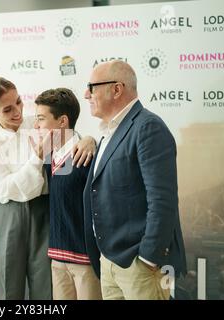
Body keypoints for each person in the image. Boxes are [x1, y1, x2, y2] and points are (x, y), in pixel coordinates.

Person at [0, 76, 95, 300]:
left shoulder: (36, 122)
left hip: (46, 211)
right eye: (8, 109)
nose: (18, 112)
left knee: (45, 288)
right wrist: (37, 158)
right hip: (9, 215)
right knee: (6, 287)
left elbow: (69, 136)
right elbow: (6, 187)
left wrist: (88, 139)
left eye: (19, 102)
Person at [82, 60, 187, 300]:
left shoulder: (148, 127)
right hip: (109, 261)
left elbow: (162, 199)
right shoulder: (108, 131)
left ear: (116, 89)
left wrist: (148, 257)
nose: (86, 94)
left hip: (139, 265)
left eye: (91, 86)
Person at [33, 88, 102, 300]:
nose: (36, 126)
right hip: (56, 258)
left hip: (85, 261)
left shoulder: (88, 155)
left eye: (41, 119)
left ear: (62, 121)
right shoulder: (48, 156)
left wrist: (91, 140)